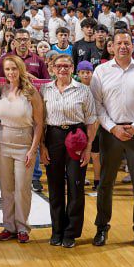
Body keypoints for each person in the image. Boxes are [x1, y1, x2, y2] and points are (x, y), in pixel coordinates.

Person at [91, 32, 134, 250]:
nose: (123, 46)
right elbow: (96, 105)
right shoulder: (100, 71)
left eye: (127, 43)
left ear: (133, 46)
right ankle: (102, 227)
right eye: (119, 43)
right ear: (111, 46)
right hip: (110, 133)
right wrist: (113, 128)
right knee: (105, 184)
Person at [41, 53, 97, 248]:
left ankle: (71, 232)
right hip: (53, 137)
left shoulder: (83, 90)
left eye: (66, 66)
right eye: (59, 66)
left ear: (72, 68)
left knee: (75, 185)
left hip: (77, 137)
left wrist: (89, 147)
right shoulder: (44, 90)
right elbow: (39, 122)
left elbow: (91, 120)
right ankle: (57, 230)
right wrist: (42, 146)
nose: (62, 69)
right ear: (52, 69)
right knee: (55, 186)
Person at [0, 54, 43, 243]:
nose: (11, 72)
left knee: (22, 188)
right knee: (6, 189)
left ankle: (22, 227)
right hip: (3, 143)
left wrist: (33, 150)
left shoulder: (31, 92)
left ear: (20, 69)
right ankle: (9, 226)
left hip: (24, 143)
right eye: (7, 69)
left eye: (14, 69)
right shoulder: (2, 90)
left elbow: (39, 124)